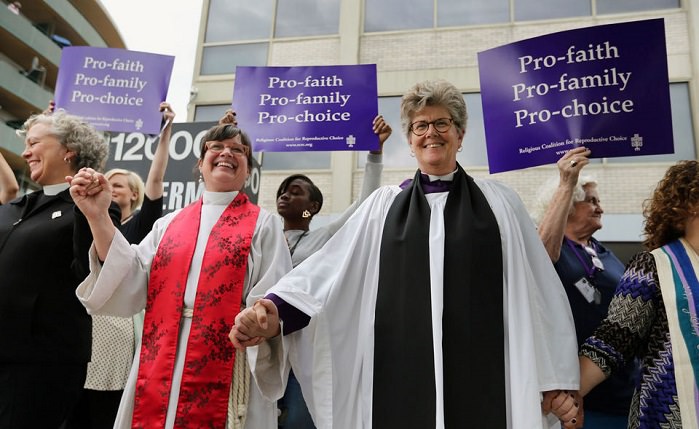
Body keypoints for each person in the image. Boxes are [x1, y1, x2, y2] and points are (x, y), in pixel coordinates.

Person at [230, 79, 581, 429]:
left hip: (488, 375)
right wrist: (274, 311)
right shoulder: (383, 207)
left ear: (460, 134)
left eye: (442, 123)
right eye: (420, 126)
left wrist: (554, 377)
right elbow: (327, 275)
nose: (432, 133)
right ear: (411, 142)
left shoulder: (501, 204)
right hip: (398, 374)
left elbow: (537, 288)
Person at [69, 123, 293, 429]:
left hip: (228, 360)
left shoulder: (264, 226)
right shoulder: (169, 224)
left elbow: (276, 293)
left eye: (238, 149)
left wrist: (261, 319)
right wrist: (98, 217)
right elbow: (129, 277)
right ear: (200, 164)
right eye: (216, 146)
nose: (227, 151)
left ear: (248, 169)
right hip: (159, 356)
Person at [0, 109, 118, 428]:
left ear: (69, 149)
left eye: (35, 142)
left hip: (41, 363)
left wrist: (89, 210)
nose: (26, 151)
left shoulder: (93, 207)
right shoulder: (15, 208)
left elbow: (90, 273)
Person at [273, 115, 391, 428]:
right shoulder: (263, 236)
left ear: (312, 207)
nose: (285, 194)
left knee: (299, 419)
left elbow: (366, 203)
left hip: (303, 345)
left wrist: (374, 153)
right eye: (283, 191)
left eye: (296, 191)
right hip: (265, 346)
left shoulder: (326, 238)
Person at [65, 102, 175, 429]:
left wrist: (166, 133)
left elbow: (156, 181)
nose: (109, 189)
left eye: (117, 186)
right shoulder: (86, 222)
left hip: (117, 325)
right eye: (106, 182)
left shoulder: (141, 227)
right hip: (82, 323)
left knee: (103, 406)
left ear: (133, 194)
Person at [579, 160, 699, 428]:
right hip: (668, 414)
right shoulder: (655, 265)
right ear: (689, 203)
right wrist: (567, 393)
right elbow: (614, 339)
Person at [533, 147, 638, 427]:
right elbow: (540, 257)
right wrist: (567, 182)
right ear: (568, 205)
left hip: (625, 389)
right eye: (591, 201)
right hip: (578, 398)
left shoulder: (606, 254)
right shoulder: (553, 248)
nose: (600, 207)